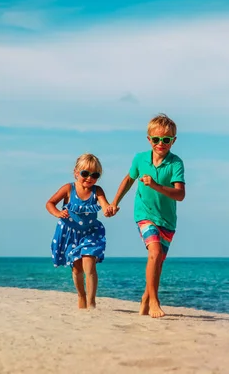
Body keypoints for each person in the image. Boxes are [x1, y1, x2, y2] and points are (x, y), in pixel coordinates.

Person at [107, 113, 185, 318]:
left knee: (157, 262)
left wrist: (157, 186)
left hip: (167, 220)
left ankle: (144, 297)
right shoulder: (140, 159)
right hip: (144, 215)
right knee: (155, 252)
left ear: (173, 141)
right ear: (149, 139)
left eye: (166, 140)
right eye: (157, 139)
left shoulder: (176, 163)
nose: (161, 143)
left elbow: (181, 195)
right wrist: (115, 202)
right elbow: (128, 179)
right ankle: (154, 301)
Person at [46, 153, 114, 309]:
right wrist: (58, 213)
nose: (89, 178)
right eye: (85, 173)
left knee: (89, 264)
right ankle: (81, 296)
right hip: (70, 234)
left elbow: (105, 206)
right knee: (77, 268)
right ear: (76, 172)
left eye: (94, 175)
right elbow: (50, 203)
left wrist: (109, 210)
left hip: (91, 233)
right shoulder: (68, 189)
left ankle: (91, 302)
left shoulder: (97, 191)